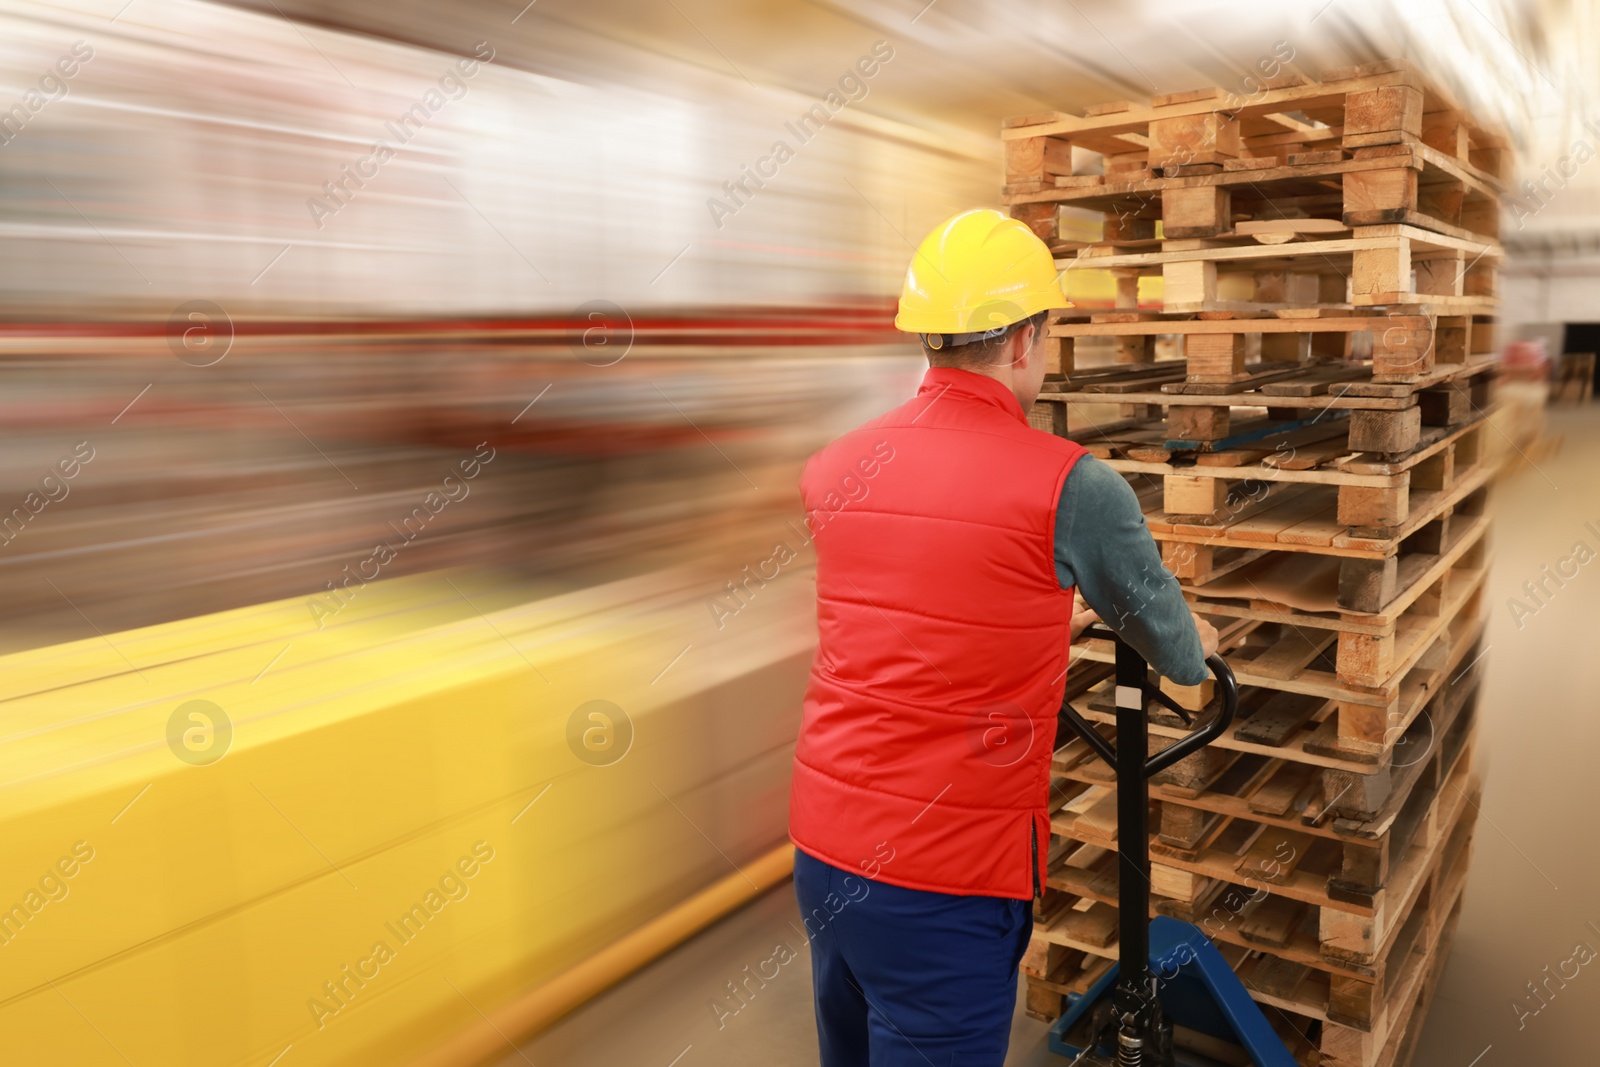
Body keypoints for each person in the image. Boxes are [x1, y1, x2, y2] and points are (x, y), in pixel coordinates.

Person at [788, 208, 1219, 1066]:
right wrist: (1193, 633)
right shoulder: (1072, 485)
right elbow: (1179, 656)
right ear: (1025, 340)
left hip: (825, 850)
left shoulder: (834, 466)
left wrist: (1043, 612)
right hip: (945, 876)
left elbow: (910, 616)